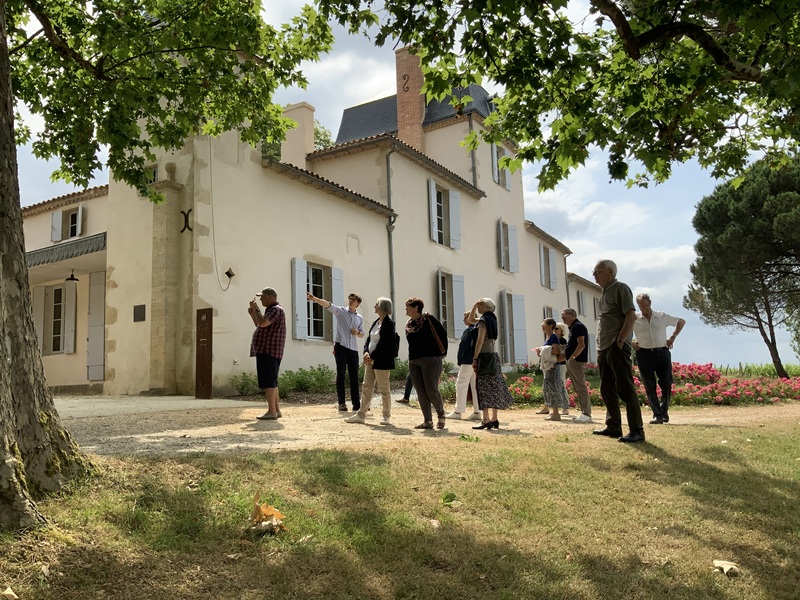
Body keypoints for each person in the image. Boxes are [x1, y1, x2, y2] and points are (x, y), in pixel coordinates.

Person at [591, 260, 645, 443]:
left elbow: (631, 315)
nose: (594, 275)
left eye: (597, 271)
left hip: (616, 346)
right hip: (604, 347)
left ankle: (637, 430)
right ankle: (613, 426)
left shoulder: (621, 288)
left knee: (625, 388)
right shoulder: (605, 292)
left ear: (610, 272)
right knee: (606, 388)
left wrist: (621, 341)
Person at [306, 291, 365, 412]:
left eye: (353, 299)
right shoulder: (341, 311)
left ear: (357, 303)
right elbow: (328, 305)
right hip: (341, 347)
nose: (350, 301)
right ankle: (342, 403)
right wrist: (315, 299)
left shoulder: (359, 318)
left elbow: (362, 333)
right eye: (349, 298)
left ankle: (356, 403)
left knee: (354, 377)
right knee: (341, 375)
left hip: (353, 349)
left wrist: (357, 333)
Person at [632, 293, 686, 425]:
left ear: (650, 302)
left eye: (646, 305)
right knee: (649, 385)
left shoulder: (661, 316)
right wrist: (631, 341)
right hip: (644, 354)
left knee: (666, 384)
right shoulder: (634, 318)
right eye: (641, 306)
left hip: (662, 352)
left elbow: (681, 321)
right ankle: (657, 415)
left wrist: (672, 337)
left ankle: (664, 411)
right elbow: (622, 329)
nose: (644, 308)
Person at [345, 297, 397, 426]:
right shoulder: (376, 322)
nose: (374, 306)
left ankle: (386, 416)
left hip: (382, 361)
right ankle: (361, 414)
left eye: (377, 304)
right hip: (370, 360)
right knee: (366, 387)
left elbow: (384, 343)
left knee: (384, 389)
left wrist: (372, 355)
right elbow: (369, 340)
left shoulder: (389, 324)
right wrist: (365, 352)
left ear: (382, 307)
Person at [470, 298, 515, 430]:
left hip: (484, 356)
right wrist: (474, 305)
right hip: (493, 356)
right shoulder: (492, 319)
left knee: (483, 387)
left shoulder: (484, 321)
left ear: (488, 307)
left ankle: (486, 420)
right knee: (494, 386)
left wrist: (475, 358)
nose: (479, 307)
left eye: (481, 305)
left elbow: (479, 341)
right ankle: (494, 418)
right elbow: (471, 320)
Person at [404, 297, 448, 430]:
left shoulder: (429, 319)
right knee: (420, 391)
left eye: (408, 306)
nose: (405, 309)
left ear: (415, 308)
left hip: (431, 359)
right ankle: (427, 421)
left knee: (431, 389)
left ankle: (441, 414)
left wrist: (442, 353)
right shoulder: (409, 324)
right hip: (414, 360)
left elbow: (442, 335)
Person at [248, 287, 287, 420]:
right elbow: (260, 325)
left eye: (262, 297)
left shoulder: (275, 310)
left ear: (271, 297)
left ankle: (271, 412)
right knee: (272, 381)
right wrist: (254, 314)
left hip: (268, 350)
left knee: (269, 382)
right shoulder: (273, 311)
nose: (260, 299)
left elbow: (263, 323)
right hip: (269, 350)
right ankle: (276, 410)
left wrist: (257, 310)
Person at [446, 311, 481, 420]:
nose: (464, 320)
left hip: (467, 361)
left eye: (465, 317)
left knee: (461, 384)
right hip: (475, 361)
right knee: (475, 387)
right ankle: (477, 411)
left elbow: (463, 347)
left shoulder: (469, 331)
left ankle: (458, 411)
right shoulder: (478, 329)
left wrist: (460, 360)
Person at [533, 318, 570, 421]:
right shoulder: (549, 337)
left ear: (550, 326)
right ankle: (554, 412)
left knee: (553, 388)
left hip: (554, 367)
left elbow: (556, 350)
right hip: (551, 366)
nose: (542, 325)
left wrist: (544, 350)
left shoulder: (553, 337)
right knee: (549, 388)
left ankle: (556, 413)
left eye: (544, 324)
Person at [561, 307, 592, 423]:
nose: (562, 317)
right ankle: (584, 412)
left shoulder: (578, 326)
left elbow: (581, 345)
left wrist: (572, 358)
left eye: (564, 314)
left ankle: (586, 414)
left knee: (581, 387)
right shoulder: (573, 327)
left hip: (576, 362)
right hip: (574, 361)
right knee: (578, 387)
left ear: (572, 315)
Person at [555, 322, 570, 415]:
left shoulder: (563, 341)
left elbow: (564, 354)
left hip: (561, 364)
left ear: (561, 330)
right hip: (556, 364)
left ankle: (565, 407)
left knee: (561, 385)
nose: (555, 330)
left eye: (557, 328)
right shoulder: (554, 339)